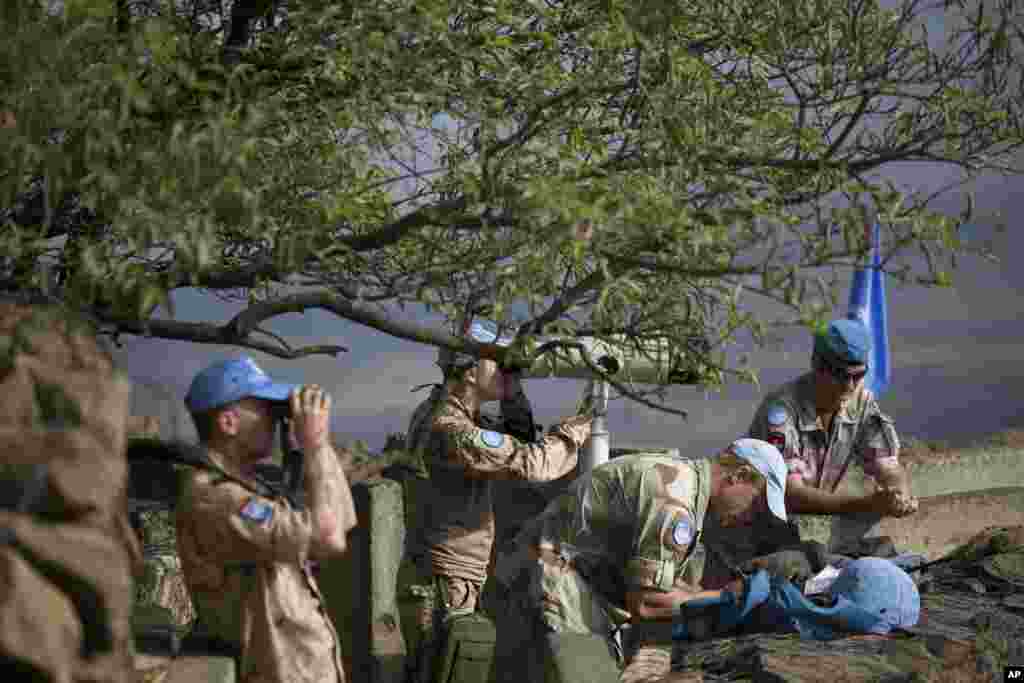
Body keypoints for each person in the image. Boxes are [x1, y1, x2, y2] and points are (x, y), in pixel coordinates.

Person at [487, 438, 789, 683]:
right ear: (739, 476)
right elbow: (647, 603)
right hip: (545, 583)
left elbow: (660, 586)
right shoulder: (674, 502)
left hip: (557, 580)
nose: (751, 517)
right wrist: (728, 597)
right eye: (757, 504)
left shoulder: (685, 485)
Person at [404, 318, 593, 682]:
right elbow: (531, 462)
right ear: (470, 370)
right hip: (446, 580)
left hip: (448, 574)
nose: (506, 368)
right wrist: (575, 432)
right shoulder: (451, 429)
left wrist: (513, 391)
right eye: (498, 361)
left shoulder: (445, 413)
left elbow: (516, 436)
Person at [176, 356, 356, 683]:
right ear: (228, 422)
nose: (274, 420)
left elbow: (340, 521)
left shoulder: (251, 489)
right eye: (264, 409)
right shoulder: (215, 499)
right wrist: (313, 445)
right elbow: (328, 538)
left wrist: (318, 447)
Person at [703, 319, 917, 588]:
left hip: (801, 538)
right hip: (750, 537)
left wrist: (897, 492)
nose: (850, 386)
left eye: (858, 375)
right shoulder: (782, 413)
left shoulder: (860, 402)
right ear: (818, 366)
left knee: (883, 566)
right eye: (841, 375)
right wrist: (865, 504)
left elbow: (887, 465)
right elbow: (791, 495)